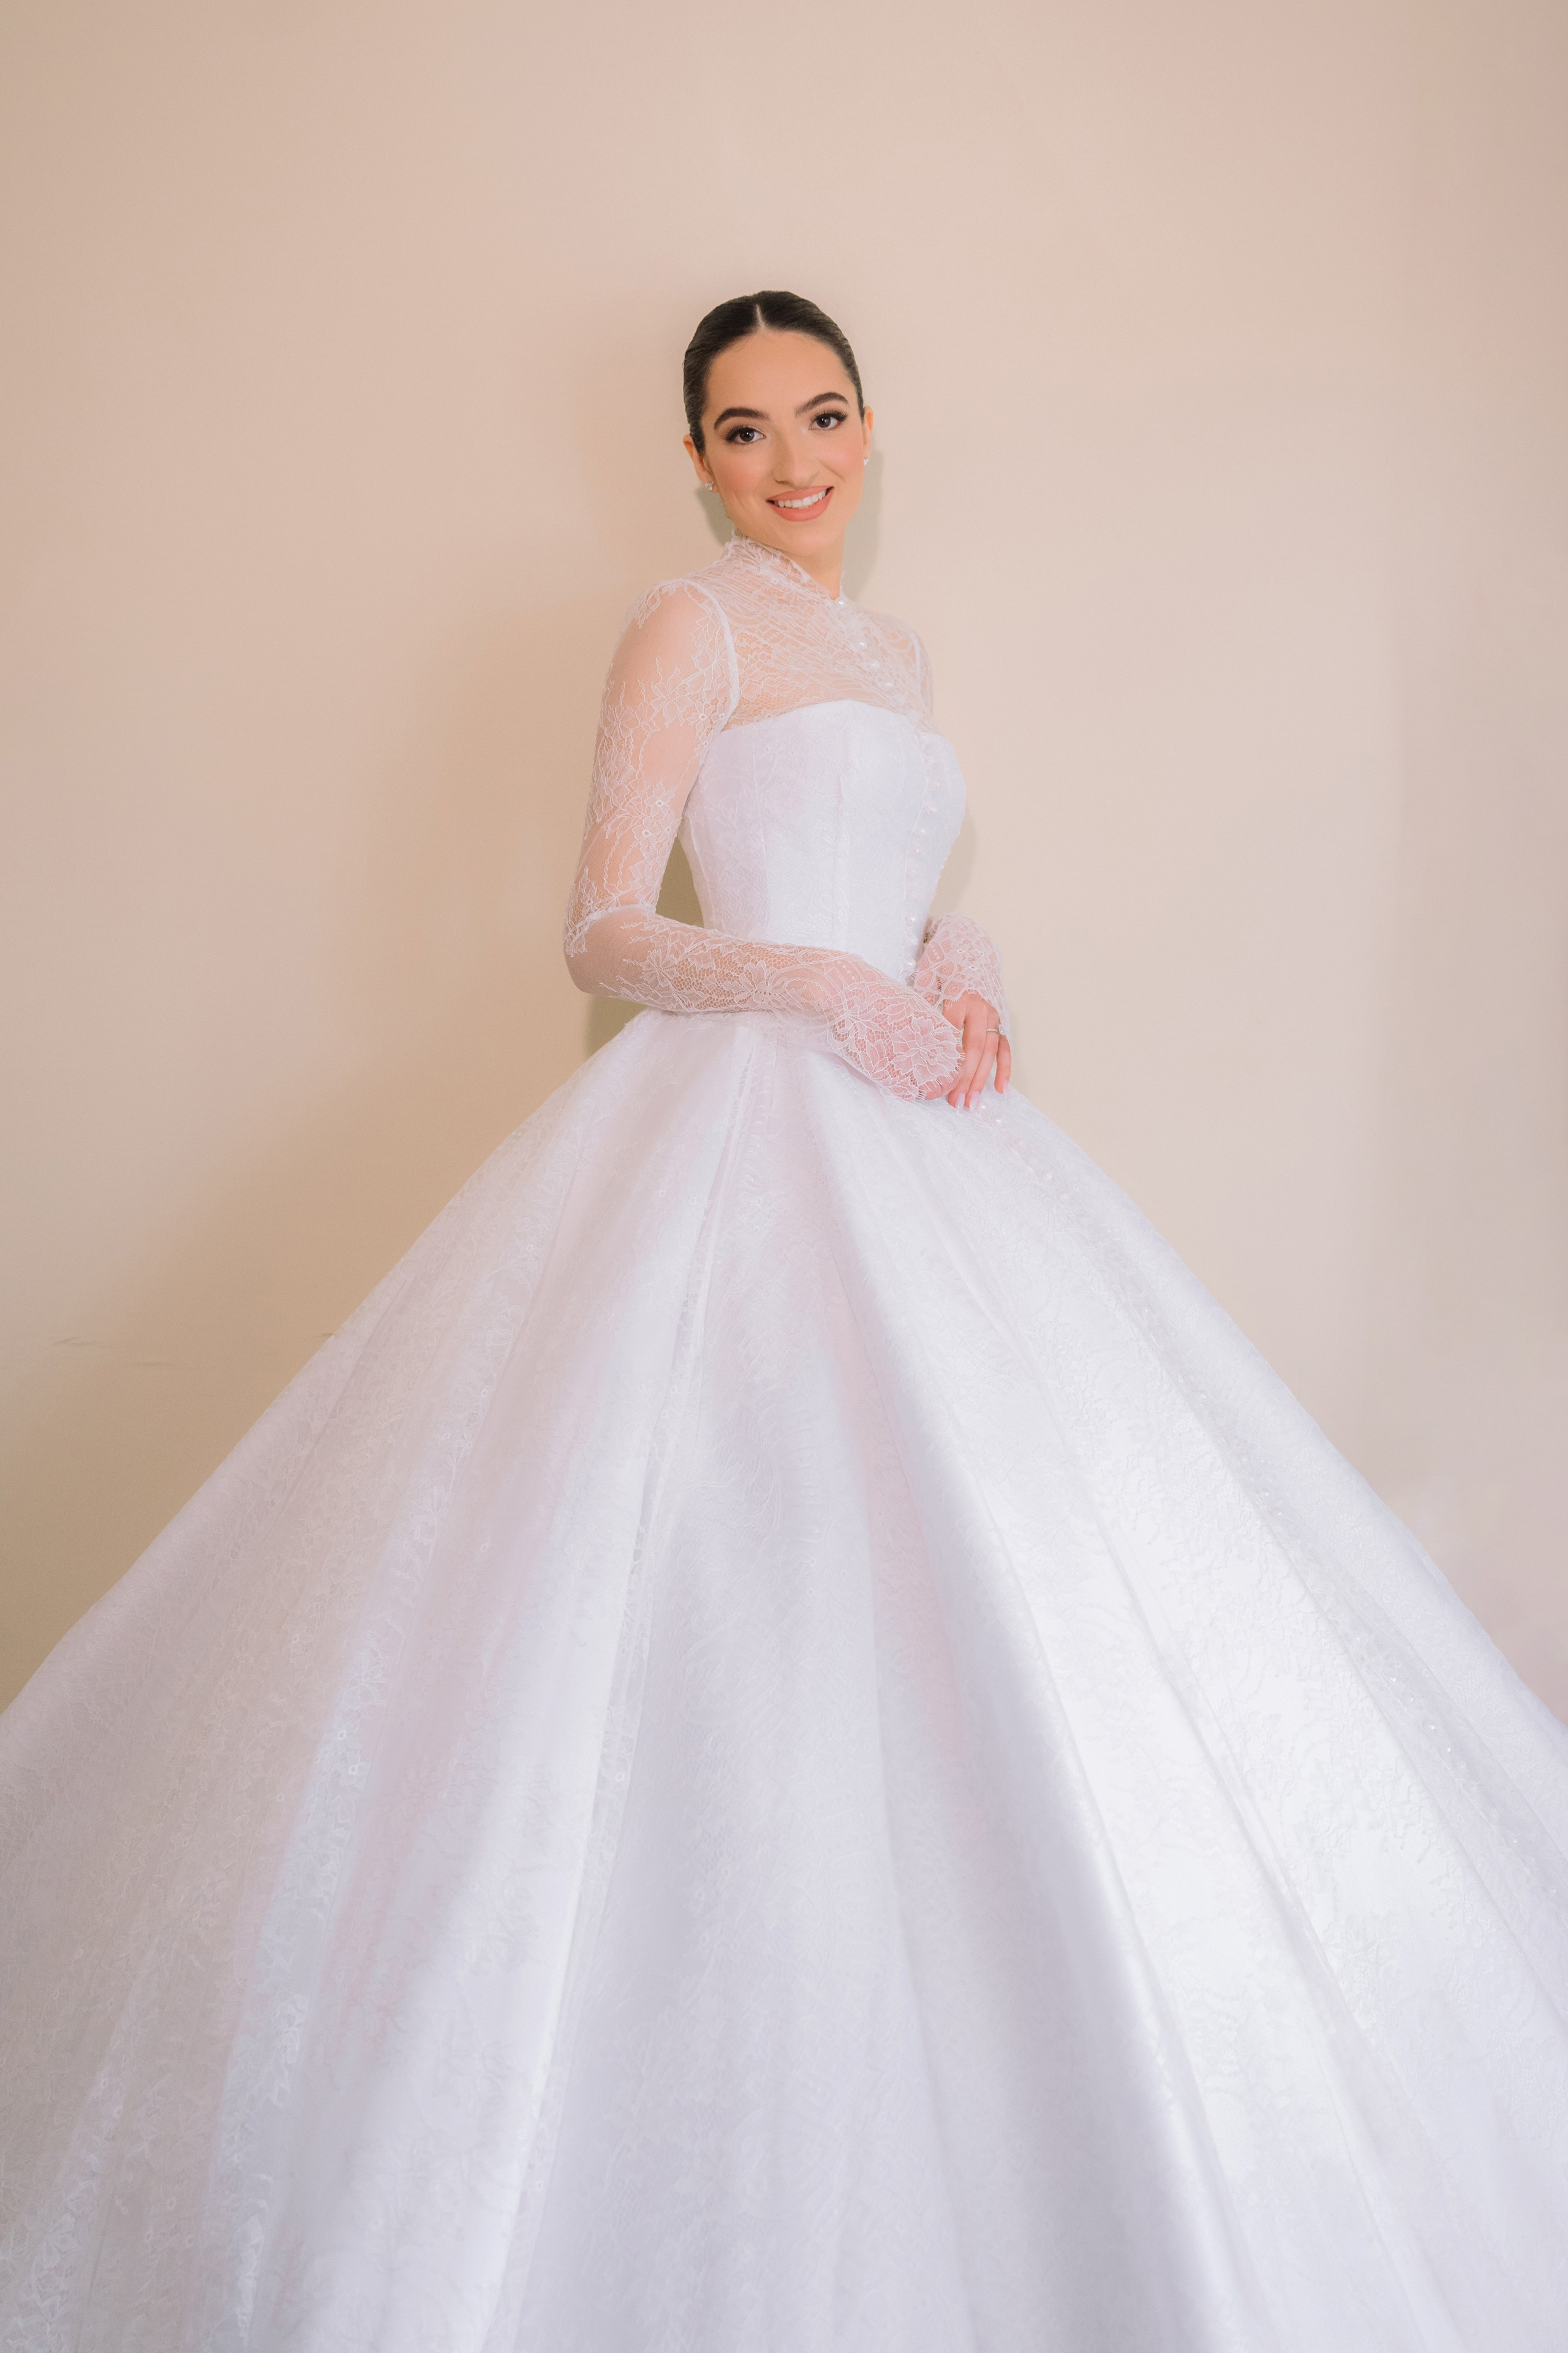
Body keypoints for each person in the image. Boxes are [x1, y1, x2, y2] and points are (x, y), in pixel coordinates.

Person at [2, 289, 1566, 2353]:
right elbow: (601, 922)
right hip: (746, 1125)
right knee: (719, 1558)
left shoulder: (898, 655)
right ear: (696, 459)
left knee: (1011, 1551)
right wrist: (821, 985)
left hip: (929, 1125)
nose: (797, 463)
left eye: (824, 418)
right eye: (747, 432)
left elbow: (907, 884)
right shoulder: (692, 626)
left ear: (866, 422)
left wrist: (958, 959)